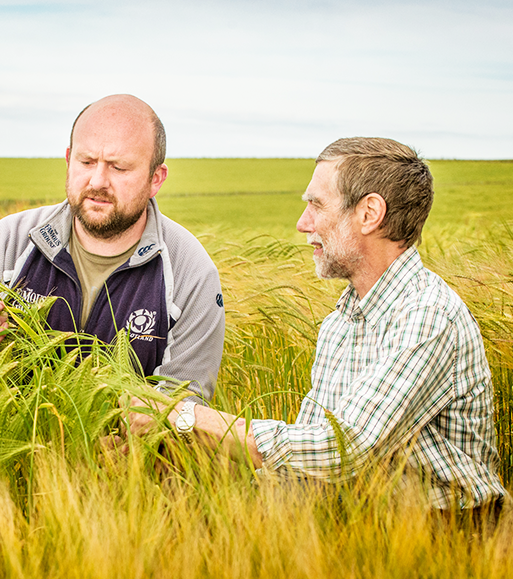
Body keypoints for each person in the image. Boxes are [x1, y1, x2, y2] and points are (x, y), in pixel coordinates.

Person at [129, 137, 510, 513]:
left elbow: (342, 449)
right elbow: (305, 464)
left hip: (450, 536)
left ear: (369, 214)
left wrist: (182, 415)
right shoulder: (341, 320)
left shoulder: (426, 316)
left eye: (316, 205)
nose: (302, 223)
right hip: (365, 527)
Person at [0, 95, 225, 401]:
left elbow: (184, 411)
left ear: (155, 179)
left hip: (129, 449)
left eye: (119, 167)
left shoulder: (191, 273)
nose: (98, 181)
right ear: (68, 161)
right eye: (87, 162)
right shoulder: (7, 244)